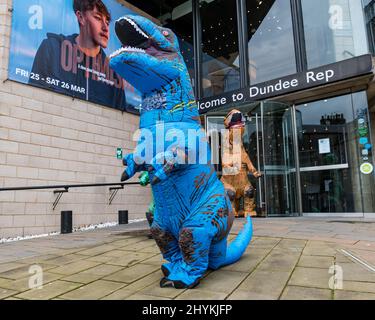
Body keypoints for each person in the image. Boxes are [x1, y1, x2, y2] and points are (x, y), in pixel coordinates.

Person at [29, 0, 126, 110]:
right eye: (98, 18)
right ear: (81, 17)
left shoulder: (114, 73)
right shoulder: (52, 48)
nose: (105, 28)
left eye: (107, 22)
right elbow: (34, 97)